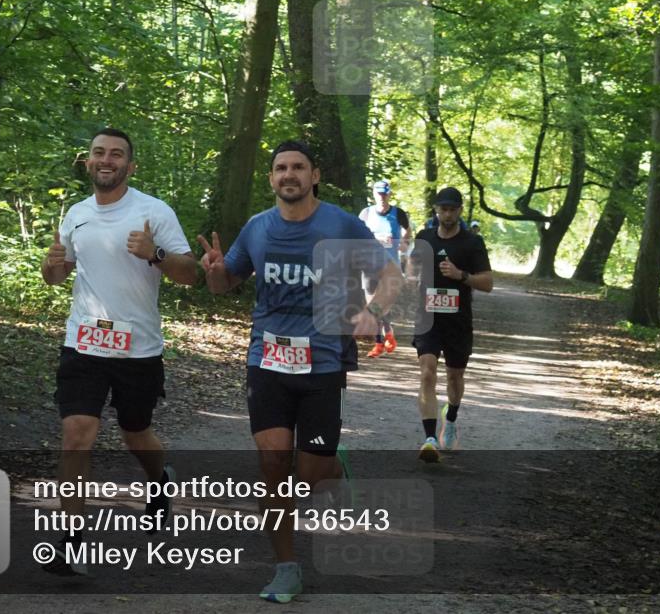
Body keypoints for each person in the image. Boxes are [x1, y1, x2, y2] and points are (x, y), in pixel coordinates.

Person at [198, 140, 402, 603]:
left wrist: (374, 312)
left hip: (323, 362)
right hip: (266, 360)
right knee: (272, 463)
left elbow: (391, 276)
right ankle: (286, 568)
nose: (288, 174)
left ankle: (332, 465)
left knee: (308, 478)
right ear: (271, 178)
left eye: (297, 167)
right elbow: (224, 284)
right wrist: (213, 271)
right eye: (280, 168)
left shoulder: (341, 224)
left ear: (314, 176)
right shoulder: (257, 228)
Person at [40, 128, 196, 575]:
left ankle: (159, 482)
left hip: (137, 349)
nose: (106, 160)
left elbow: (188, 274)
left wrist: (156, 253)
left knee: (136, 433)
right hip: (83, 343)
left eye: (116, 154)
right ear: (87, 161)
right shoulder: (76, 213)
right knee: (77, 433)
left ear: (131, 165)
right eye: (98, 153)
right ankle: (71, 541)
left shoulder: (153, 211)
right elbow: (57, 274)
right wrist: (50, 266)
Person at [409, 187, 492, 462]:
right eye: (442, 208)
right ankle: (430, 438)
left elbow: (488, 283)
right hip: (428, 318)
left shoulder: (472, 243)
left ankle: (451, 416)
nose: (447, 213)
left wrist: (461, 275)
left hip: (458, 321)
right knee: (427, 373)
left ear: (459, 210)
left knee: (455, 377)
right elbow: (411, 266)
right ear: (436, 210)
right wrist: (412, 276)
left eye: (452, 209)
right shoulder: (424, 238)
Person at [357, 179, 410, 357]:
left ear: (389, 194)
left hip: (390, 268)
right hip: (369, 267)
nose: (382, 196)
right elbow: (355, 237)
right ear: (373, 194)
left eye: (385, 193)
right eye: (379, 193)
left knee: (382, 304)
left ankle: (380, 342)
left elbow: (408, 234)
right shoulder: (365, 214)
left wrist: (403, 242)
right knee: (373, 304)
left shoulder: (398, 214)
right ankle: (386, 335)